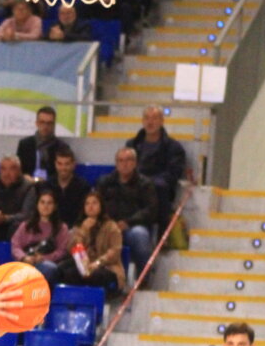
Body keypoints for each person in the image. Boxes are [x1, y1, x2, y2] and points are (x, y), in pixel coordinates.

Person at [96, 147, 157, 276]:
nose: (124, 164)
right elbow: (96, 204)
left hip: (132, 227)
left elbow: (150, 210)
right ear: (116, 163)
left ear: (135, 162)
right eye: (121, 160)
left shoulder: (145, 184)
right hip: (108, 226)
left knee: (140, 235)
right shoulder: (105, 182)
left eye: (128, 160)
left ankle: (143, 278)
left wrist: (128, 222)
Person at [126, 105, 186, 230]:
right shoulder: (132, 144)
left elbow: (174, 173)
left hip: (158, 187)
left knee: (160, 187)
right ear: (142, 121)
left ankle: (160, 233)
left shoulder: (173, 147)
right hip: (135, 183)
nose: (150, 122)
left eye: (154, 118)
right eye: (147, 118)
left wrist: (148, 181)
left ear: (162, 121)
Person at [57, 191, 125, 292]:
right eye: (87, 203)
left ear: (101, 206)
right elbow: (71, 250)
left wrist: (97, 263)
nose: (90, 206)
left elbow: (114, 252)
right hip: (84, 265)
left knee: (95, 275)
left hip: (107, 267)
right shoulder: (79, 226)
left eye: (94, 203)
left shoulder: (111, 227)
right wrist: (83, 231)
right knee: (64, 270)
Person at [10, 187, 68, 285]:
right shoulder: (26, 225)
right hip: (27, 262)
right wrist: (24, 257)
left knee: (49, 268)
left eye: (49, 203)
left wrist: (44, 258)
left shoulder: (61, 228)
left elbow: (62, 251)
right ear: (37, 205)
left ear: (54, 206)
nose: (45, 206)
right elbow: (16, 245)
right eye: (42, 202)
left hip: (48, 264)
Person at [24, 144, 90, 228]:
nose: (63, 168)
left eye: (67, 164)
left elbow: (85, 214)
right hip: (50, 229)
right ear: (55, 164)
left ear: (74, 165)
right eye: (60, 164)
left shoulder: (83, 187)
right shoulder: (47, 185)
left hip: (75, 230)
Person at [16, 106, 60, 182]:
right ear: (36, 123)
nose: (45, 126)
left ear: (54, 125)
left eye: (49, 123)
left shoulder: (61, 147)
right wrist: (24, 176)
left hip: (51, 185)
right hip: (28, 184)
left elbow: (63, 173)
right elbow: (17, 169)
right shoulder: (25, 144)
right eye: (42, 122)